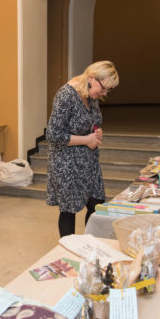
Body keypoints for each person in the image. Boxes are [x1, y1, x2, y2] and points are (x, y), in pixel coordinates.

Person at [46, 61, 119, 237]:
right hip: (66, 162)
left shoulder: (91, 94)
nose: (104, 93)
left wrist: (96, 131)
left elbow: (91, 121)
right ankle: (69, 248)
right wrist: (87, 140)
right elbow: (53, 134)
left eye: (108, 90)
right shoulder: (66, 95)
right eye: (103, 88)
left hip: (88, 160)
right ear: (92, 78)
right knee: (69, 209)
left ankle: (89, 245)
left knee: (96, 203)